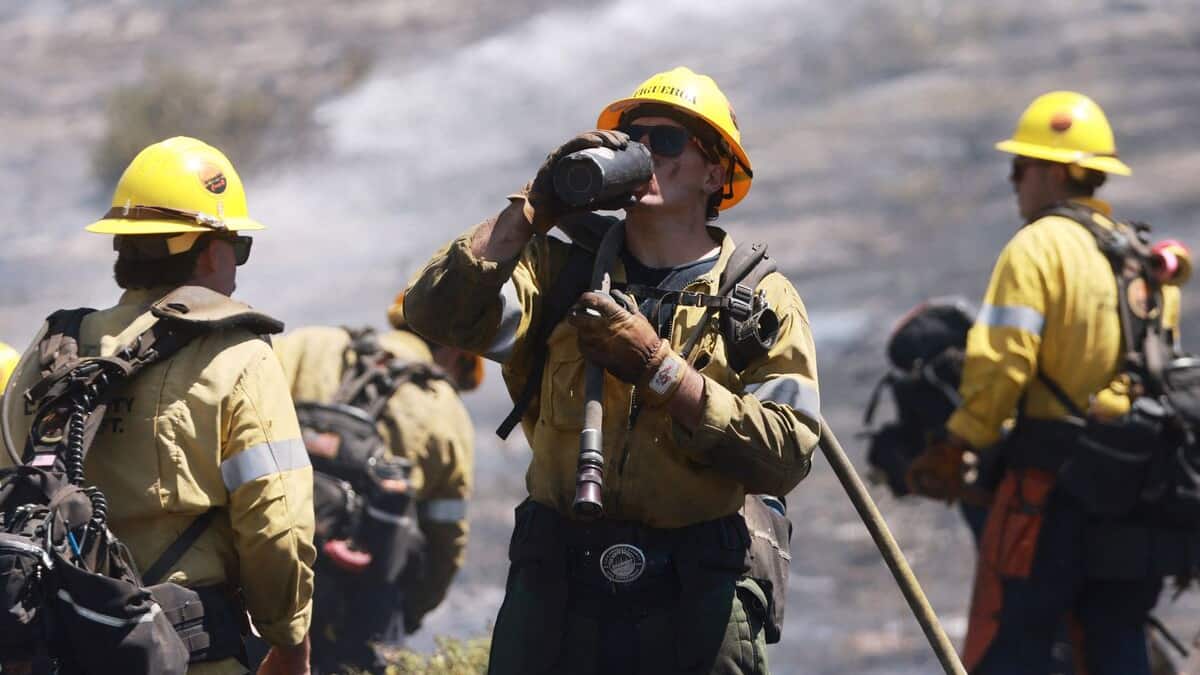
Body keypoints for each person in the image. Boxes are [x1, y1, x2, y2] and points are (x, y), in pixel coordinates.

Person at [403, 66, 820, 675]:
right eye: (631, 138)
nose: (644, 151)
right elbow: (434, 312)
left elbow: (786, 454)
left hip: (695, 597)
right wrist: (534, 206)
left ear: (714, 173)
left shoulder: (758, 300)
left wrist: (659, 369)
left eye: (666, 140)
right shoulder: (557, 274)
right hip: (558, 592)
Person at [1, 137, 316, 675]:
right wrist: (287, 638)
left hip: (50, 652)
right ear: (209, 251)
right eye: (237, 246)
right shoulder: (238, 357)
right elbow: (276, 526)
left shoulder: (49, 352)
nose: (236, 266)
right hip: (188, 654)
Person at [913, 91, 1185, 674]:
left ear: (1056, 172)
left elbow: (1002, 367)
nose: (1014, 182)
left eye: (1021, 166)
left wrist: (958, 446)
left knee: (1012, 644)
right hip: (1137, 493)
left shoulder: (1037, 248)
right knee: (1117, 641)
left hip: (1051, 493)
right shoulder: (1142, 259)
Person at [271, 309, 476, 672]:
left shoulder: (310, 344)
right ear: (458, 352)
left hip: (272, 583)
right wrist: (407, 613)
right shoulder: (445, 406)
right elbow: (446, 544)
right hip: (364, 609)